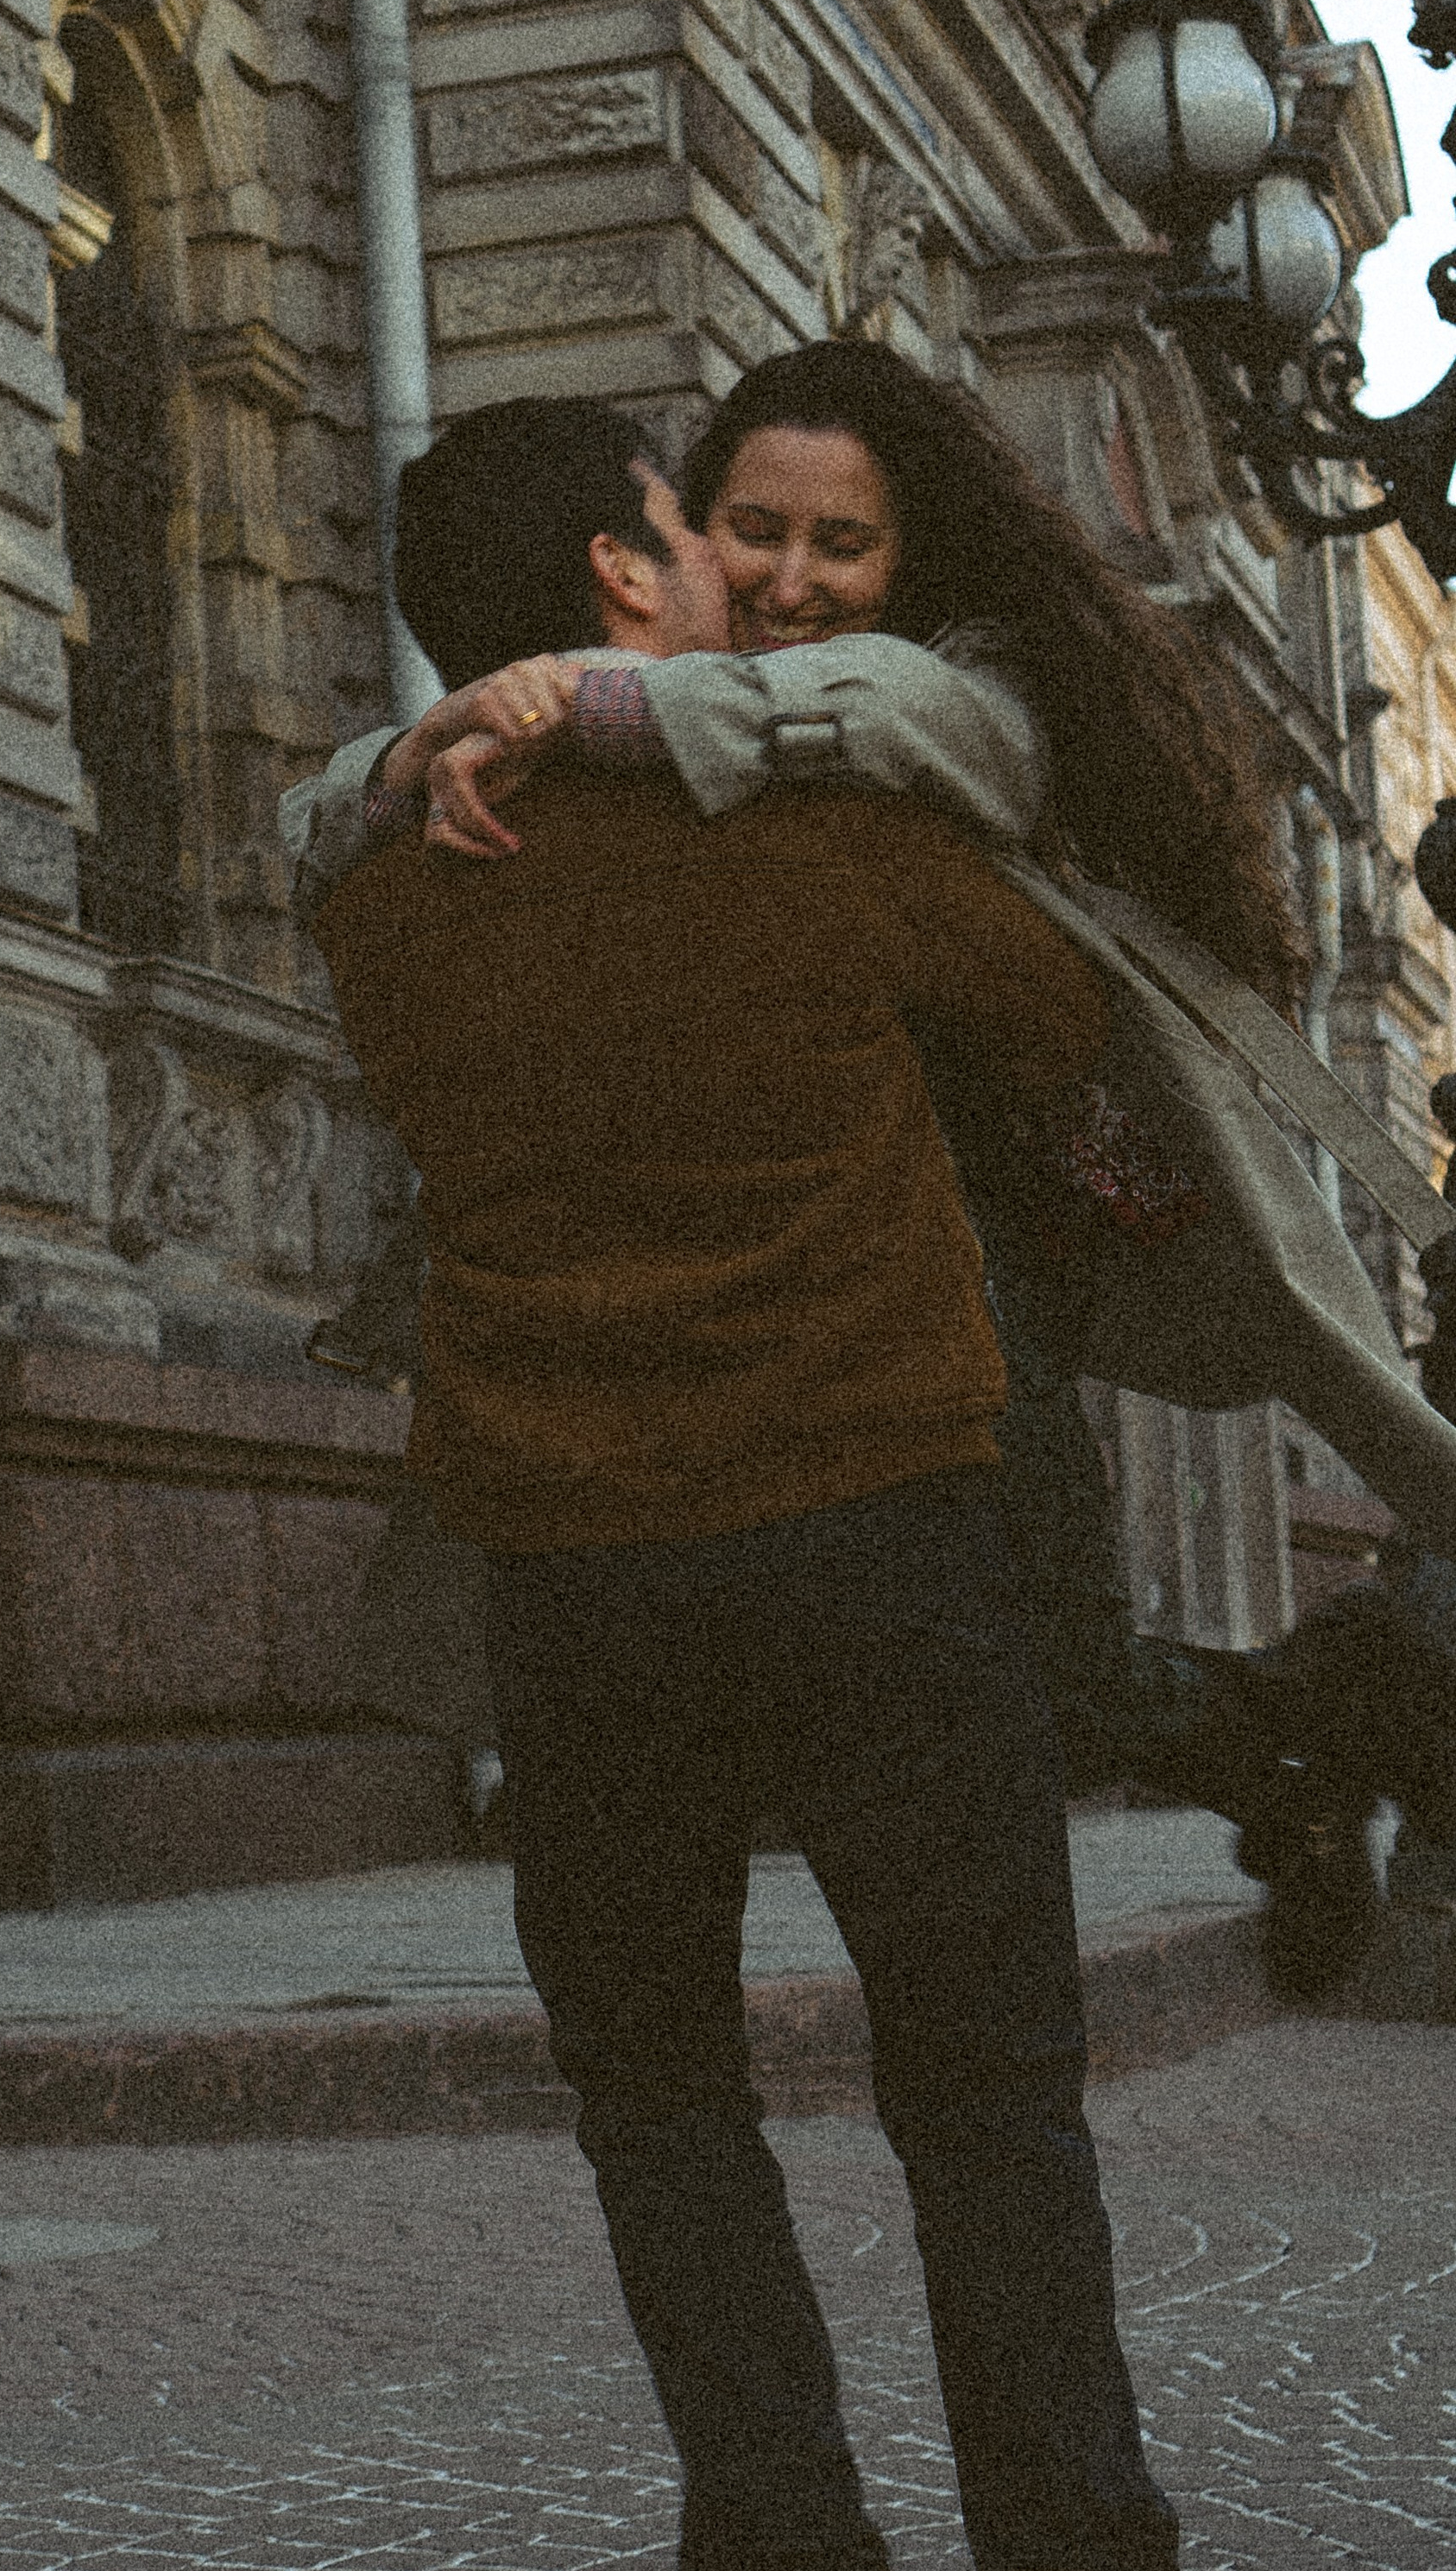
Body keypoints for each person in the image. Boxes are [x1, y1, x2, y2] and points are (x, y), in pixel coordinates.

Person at [306, 393, 1232, 2571]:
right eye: (691, 532)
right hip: (883, 1534)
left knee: (664, 2116)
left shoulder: (391, 881)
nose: (741, 577)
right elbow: (1058, 1031)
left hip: (578, 1579)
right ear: (630, 577)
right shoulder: (832, 826)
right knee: (993, 2106)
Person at [281, 347, 1456, 1991]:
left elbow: (862, 729)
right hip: (770, 1302)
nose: (790, 578)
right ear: (678, 532)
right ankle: (1315, 1750)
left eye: (845, 546)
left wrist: (566, 699)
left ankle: (1371, 1700)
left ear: (911, 561)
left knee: (1043, 1681)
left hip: (981, 1250)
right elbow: (328, 830)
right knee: (995, 1690)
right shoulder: (598, 741)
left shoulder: (946, 689)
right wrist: (418, 755)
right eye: (751, 529)